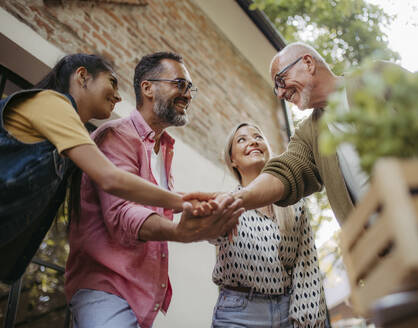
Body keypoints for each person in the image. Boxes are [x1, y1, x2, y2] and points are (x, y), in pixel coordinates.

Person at [0, 53, 230, 284]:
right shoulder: (52, 104)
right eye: (112, 81)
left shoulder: (68, 143)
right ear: (82, 76)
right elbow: (111, 178)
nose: (119, 97)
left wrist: (189, 199)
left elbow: (130, 188)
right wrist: (182, 203)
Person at [64, 52, 243, 328]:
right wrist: (179, 231)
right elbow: (123, 213)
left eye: (190, 88)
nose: (188, 95)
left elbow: (153, 202)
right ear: (147, 87)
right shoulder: (118, 135)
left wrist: (197, 205)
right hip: (106, 291)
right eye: (180, 84)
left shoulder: (163, 148)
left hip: (139, 296)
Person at [185, 42, 418, 226]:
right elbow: (287, 171)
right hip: (383, 249)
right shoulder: (309, 134)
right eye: (276, 89)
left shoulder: (377, 76)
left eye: (281, 81)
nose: (280, 93)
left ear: (308, 63)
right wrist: (236, 199)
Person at [211, 122, 329, 328]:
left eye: (258, 136)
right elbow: (211, 233)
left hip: (287, 311)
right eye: (242, 139)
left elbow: (306, 265)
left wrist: (308, 320)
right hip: (239, 313)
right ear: (233, 160)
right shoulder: (229, 203)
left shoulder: (294, 205)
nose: (253, 142)